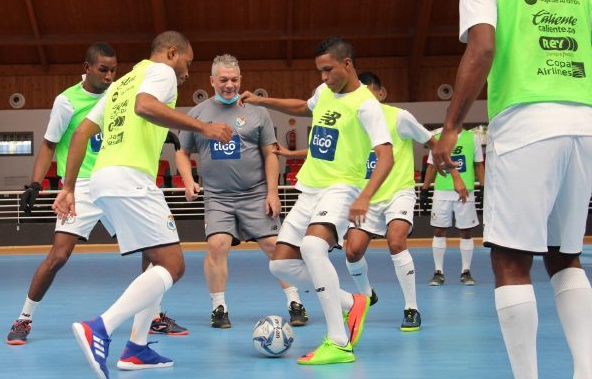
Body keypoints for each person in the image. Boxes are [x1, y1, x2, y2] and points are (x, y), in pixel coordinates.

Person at [432, 0, 592, 377]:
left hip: (526, 124)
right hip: (584, 123)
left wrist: (450, 127)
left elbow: (482, 49)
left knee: (509, 258)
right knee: (566, 255)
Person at [53, 31, 232, 379]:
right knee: (174, 265)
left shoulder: (121, 83)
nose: (187, 72)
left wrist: (70, 187)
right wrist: (203, 127)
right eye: (188, 62)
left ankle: (136, 348)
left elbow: (79, 134)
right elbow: (145, 106)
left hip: (103, 179)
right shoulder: (161, 73)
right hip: (130, 178)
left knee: (155, 262)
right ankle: (100, 328)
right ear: (171, 52)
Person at [240, 36, 393, 365]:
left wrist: (365, 196)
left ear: (347, 64)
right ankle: (352, 304)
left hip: (342, 187)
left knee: (312, 249)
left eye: (328, 70)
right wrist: (261, 101)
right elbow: (302, 107)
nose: (323, 77)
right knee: (280, 263)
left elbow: (386, 156)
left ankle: (338, 341)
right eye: (320, 71)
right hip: (310, 187)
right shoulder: (325, 92)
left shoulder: (366, 105)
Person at [176, 54, 308, 329]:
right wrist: (188, 180)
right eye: (223, 80)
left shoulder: (257, 112)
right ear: (211, 81)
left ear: (241, 80)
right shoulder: (198, 114)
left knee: (275, 247)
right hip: (218, 197)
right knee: (217, 245)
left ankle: (295, 301)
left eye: (234, 79)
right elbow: (182, 151)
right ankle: (219, 307)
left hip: (255, 194)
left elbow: (271, 155)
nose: (229, 85)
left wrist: (272, 193)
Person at [6, 42, 119, 345]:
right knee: (59, 255)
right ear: (87, 68)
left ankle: (156, 315)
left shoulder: (118, 94)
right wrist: (34, 183)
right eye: (103, 70)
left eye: (113, 70)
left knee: (152, 248)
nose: (109, 76)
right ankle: (24, 318)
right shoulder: (67, 101)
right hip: (80, 185)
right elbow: (49, 144)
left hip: (114, 180)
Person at [343, 73, 436, 332]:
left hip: (399, 192)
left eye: (370, 92)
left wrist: (448, 168)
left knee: (396, 241)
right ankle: (366, 296)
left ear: (381, 93)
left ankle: (411, 308)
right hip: (367, 197)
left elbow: (431, 141)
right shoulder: (351, 124)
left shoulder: (399, 117)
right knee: (352, 251)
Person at [422, 129, 484, 286]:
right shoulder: (437, 138)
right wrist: (424, 189)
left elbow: (478, 165)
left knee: (466, 231)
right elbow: (431, 166)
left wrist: (484, 187)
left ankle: (466, 272)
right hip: (442, 191)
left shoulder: (472, 138)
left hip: (465, 191)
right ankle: (438, 272)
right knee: (439, 230)